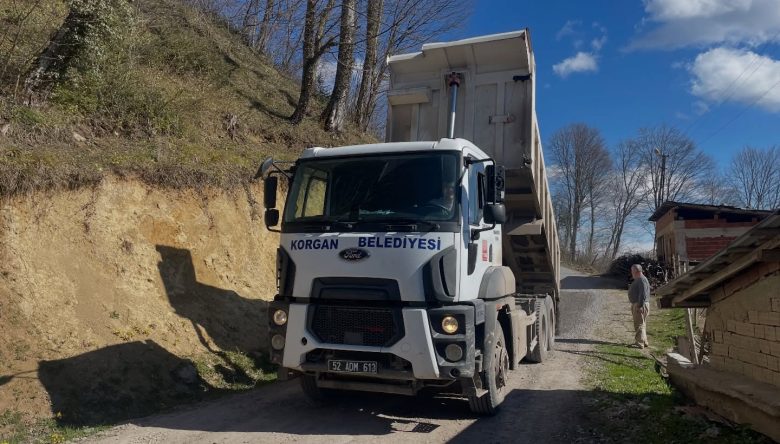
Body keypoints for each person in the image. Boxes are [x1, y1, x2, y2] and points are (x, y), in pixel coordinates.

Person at [628, 264, 650, 348]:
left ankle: (640, 342)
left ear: (636, 271)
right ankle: (644, 341)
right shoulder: (640, 279)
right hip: (640, 303)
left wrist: (640, 305)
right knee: (642, 323)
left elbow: (643, 293)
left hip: (640, 304)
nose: (631, 273)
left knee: (639, 324)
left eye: (632, 271)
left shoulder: (641, 279)